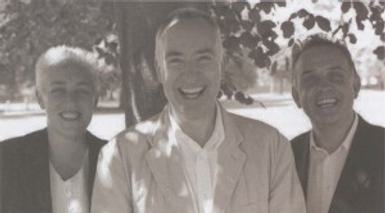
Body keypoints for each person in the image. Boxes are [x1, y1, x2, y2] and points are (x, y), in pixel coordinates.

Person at [91, 8, 305, 213]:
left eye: (203, 58)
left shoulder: (271, 148)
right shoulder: (120, 156)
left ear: (221, 66)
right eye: (176, 60)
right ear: (159, 70)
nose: (191, 73)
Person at [0, 46, 107, 213]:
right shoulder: (7, 159)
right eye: (58, 90)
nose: (71, 101)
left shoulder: (116, 159)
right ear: (40, 99)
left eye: (82, 90)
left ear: (96, 99)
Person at [291, 34, 384, 213]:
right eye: (310, 79)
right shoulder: (285, 157)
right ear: (296, 96)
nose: (324, 86)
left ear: (355, 85)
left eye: (335, 75)